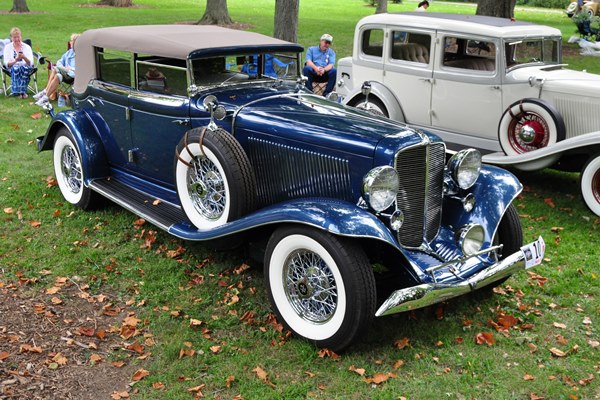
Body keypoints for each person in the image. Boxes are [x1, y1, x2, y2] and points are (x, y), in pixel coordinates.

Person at [34, 33, 80, 106]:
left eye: (71, 41)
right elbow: (59, 61)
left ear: (76, 43)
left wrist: (70, 69)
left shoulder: (81, 54)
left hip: (73, 76)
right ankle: (45, 98)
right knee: (58, 75)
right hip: (65, 74)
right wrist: (64, 68)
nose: (70, 42)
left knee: (55, 69)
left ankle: (45, 91)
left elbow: (81, 69)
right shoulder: (69, 52)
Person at [3, 27, 34, 99]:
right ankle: (22, 92)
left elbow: (31, 63)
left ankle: (18, 92)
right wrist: (16, 60)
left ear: (21, 36)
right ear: (11, 38)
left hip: (26, 67)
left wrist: (24, 57)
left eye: (18, 37)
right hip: (12, 68)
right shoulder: (7, 47)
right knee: (16, 69)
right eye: (14, 37)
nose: (17, 39)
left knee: (23, 68)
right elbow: (6, 63)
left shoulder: (27, 47)